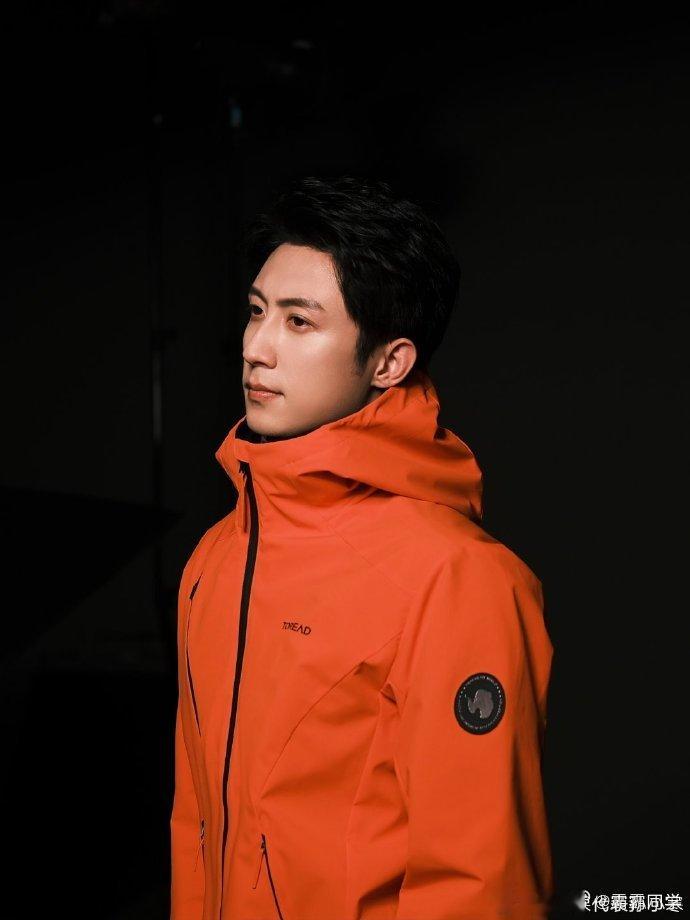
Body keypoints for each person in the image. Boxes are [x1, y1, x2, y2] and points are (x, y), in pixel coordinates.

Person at [170, 176, 554, 920]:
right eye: (256, 311)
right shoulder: (217, 557)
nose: (255, 348)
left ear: (389, 362)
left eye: (299, 322)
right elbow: (196, 827)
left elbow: (482, 884)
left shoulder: (458, 578)